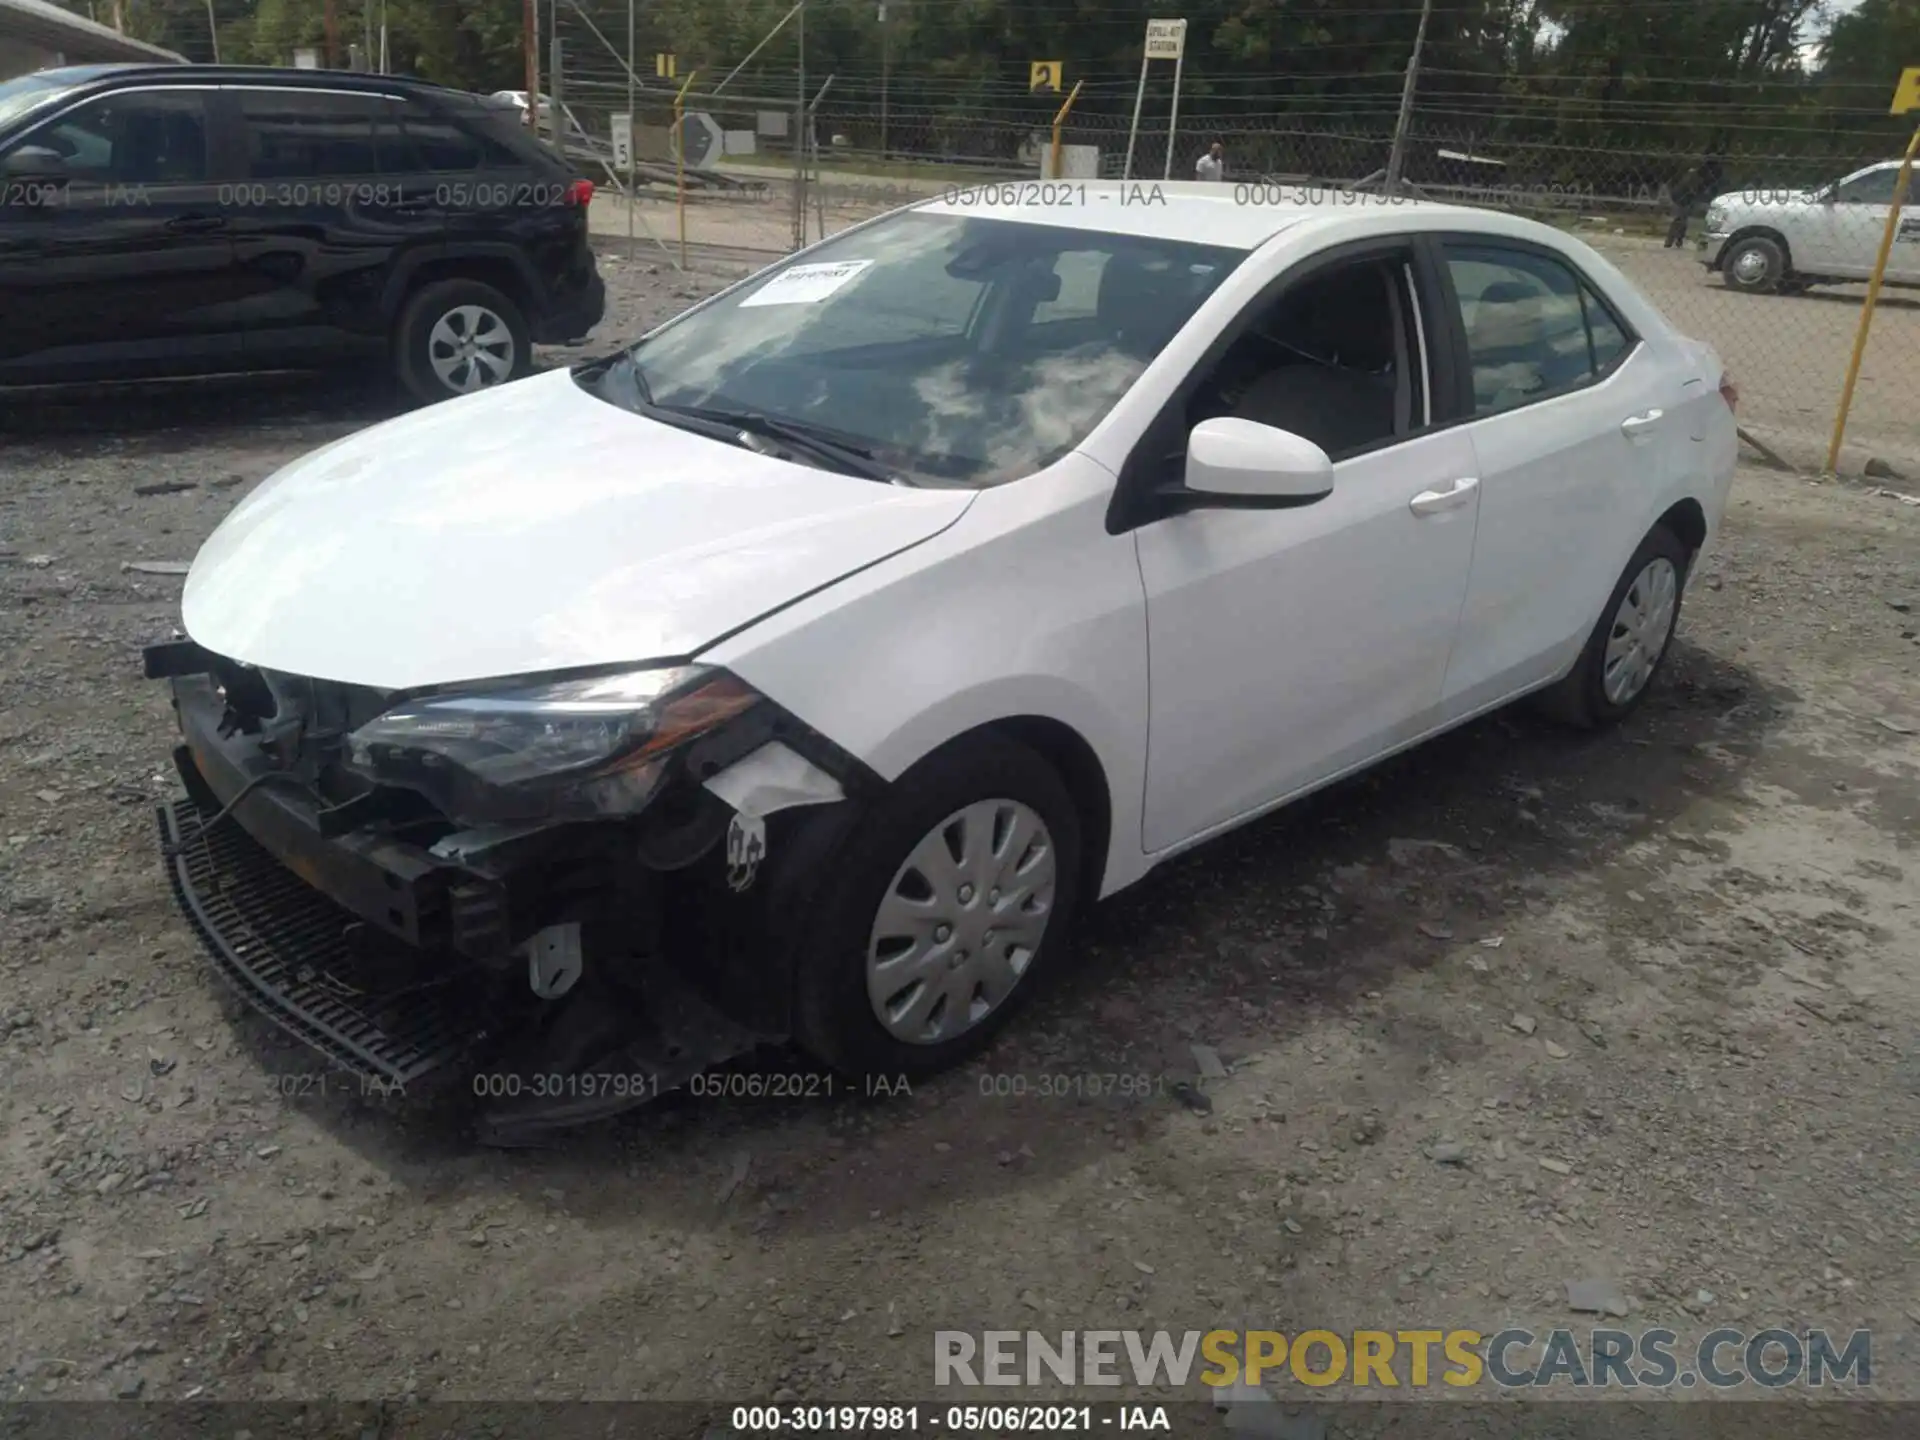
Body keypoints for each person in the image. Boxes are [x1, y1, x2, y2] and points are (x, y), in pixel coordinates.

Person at [1665, 154, 1724, 249]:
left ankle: (1676, 240)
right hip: (1683, 198)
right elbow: (1691, 188)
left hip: (1683, 197)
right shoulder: (1693, 175)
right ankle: (1672, 240)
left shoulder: (1691, 174)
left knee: (1682, 219)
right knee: (1681, 219)